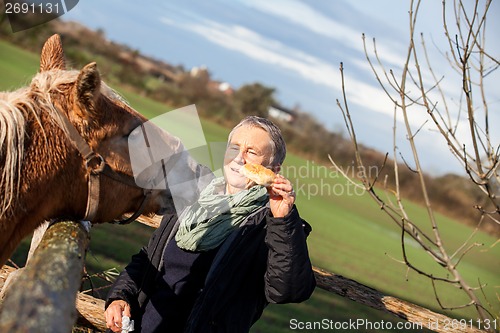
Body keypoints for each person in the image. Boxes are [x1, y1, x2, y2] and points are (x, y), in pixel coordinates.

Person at [104, 116, 316, 333]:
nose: (239, 159)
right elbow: (150, 257)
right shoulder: (193, 196)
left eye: (251, 152)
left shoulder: (270, 223)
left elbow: (288, 290)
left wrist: (282, 219)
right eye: (234, 148)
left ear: (274, 168)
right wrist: (121, 296)